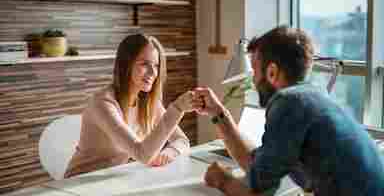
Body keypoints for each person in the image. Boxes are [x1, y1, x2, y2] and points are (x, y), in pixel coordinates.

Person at [197, 26, 384, 196]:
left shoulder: (288, 101)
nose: (253, 82)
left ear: (272, 72)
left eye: (254, 71)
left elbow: (257, 191)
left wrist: (221, 179)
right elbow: (258, 170)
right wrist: (218, 113)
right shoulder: (313, 96)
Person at [65, 34, 202, 178]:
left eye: (156, 65)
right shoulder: (103, 103)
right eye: (144, 64)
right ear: (126, 65)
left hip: (112, 180)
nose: (152, 73)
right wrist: (177, 109)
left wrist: (169, 153)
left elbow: (182, 141)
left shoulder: (148, 103)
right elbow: (142, 154)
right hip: (78, 184)